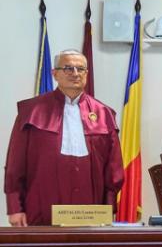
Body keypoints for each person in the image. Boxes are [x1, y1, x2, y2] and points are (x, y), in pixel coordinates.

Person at [5, 50, 123, 226]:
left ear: (86, 74)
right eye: (68, 68)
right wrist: (15, 207)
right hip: (41, 206)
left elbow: (113, 168)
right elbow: (15, 165)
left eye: (80, 69)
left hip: (91, 209)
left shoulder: (104, 114)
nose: (75, 73)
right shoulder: (31, 112)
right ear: (55, 74)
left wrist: (109, 208)